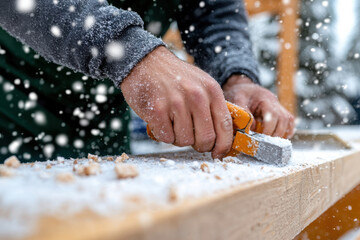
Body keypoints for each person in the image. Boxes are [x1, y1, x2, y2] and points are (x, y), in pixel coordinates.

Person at [0, 0, 294, 161]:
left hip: (103, 122)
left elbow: (214, 11)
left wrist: (235, 75)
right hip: (11, 108)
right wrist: (128, 51)